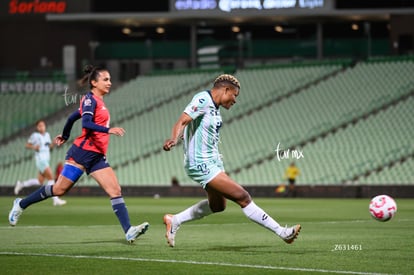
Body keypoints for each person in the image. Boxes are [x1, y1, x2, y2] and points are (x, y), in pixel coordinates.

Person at [8, 65, 149, 243]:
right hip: (82, 153)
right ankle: (21, 204)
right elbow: (87, 124)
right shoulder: (91, 100)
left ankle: (128, 230)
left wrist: (65, 135)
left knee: (115, 190)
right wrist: (108, 130)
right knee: (59, 189)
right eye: (105, 79)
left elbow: (72, 117)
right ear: (94, 82)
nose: (109, 83)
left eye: (110, 79)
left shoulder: (97, 101)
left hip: (96, 156)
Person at [162, 74, 301, 248]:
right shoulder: (203, 99)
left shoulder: (215, 108)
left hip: (213, 162)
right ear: (226, 89)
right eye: (235, 95)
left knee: (218, 205)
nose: (235, 100)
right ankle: (282, 232)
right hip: (200, 163)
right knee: (242, 196)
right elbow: (182, 121)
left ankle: (174, 220)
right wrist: (174, 139)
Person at [14, 120, 67, 206]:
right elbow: (27, 145)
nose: (42, 127)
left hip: (46, 160)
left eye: (43, 125)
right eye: (40, 126)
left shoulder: (47, 135)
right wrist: (34, 147)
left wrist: (54, 143)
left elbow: (48, 147)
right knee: (51, 178)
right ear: (37, 128)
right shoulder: (35, 136)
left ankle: (21, 184)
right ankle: (55, 199)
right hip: (40, 160)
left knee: (40, 181)